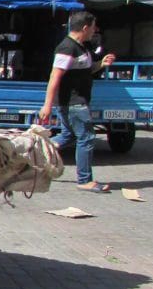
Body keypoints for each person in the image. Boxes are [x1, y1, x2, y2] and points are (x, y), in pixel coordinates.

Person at [39, 11, 116, 193]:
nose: (94, 31)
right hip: (73, 102)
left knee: (69, 135)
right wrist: (47, 105)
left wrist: (101, 64)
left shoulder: (82, 47)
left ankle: (37, 150)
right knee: (87, 137)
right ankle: (84, 180)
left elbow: (84, 70)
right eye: (93, 27)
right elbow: (54, 77)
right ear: (85, 28)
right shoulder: (67, 48)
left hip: (78, 101)